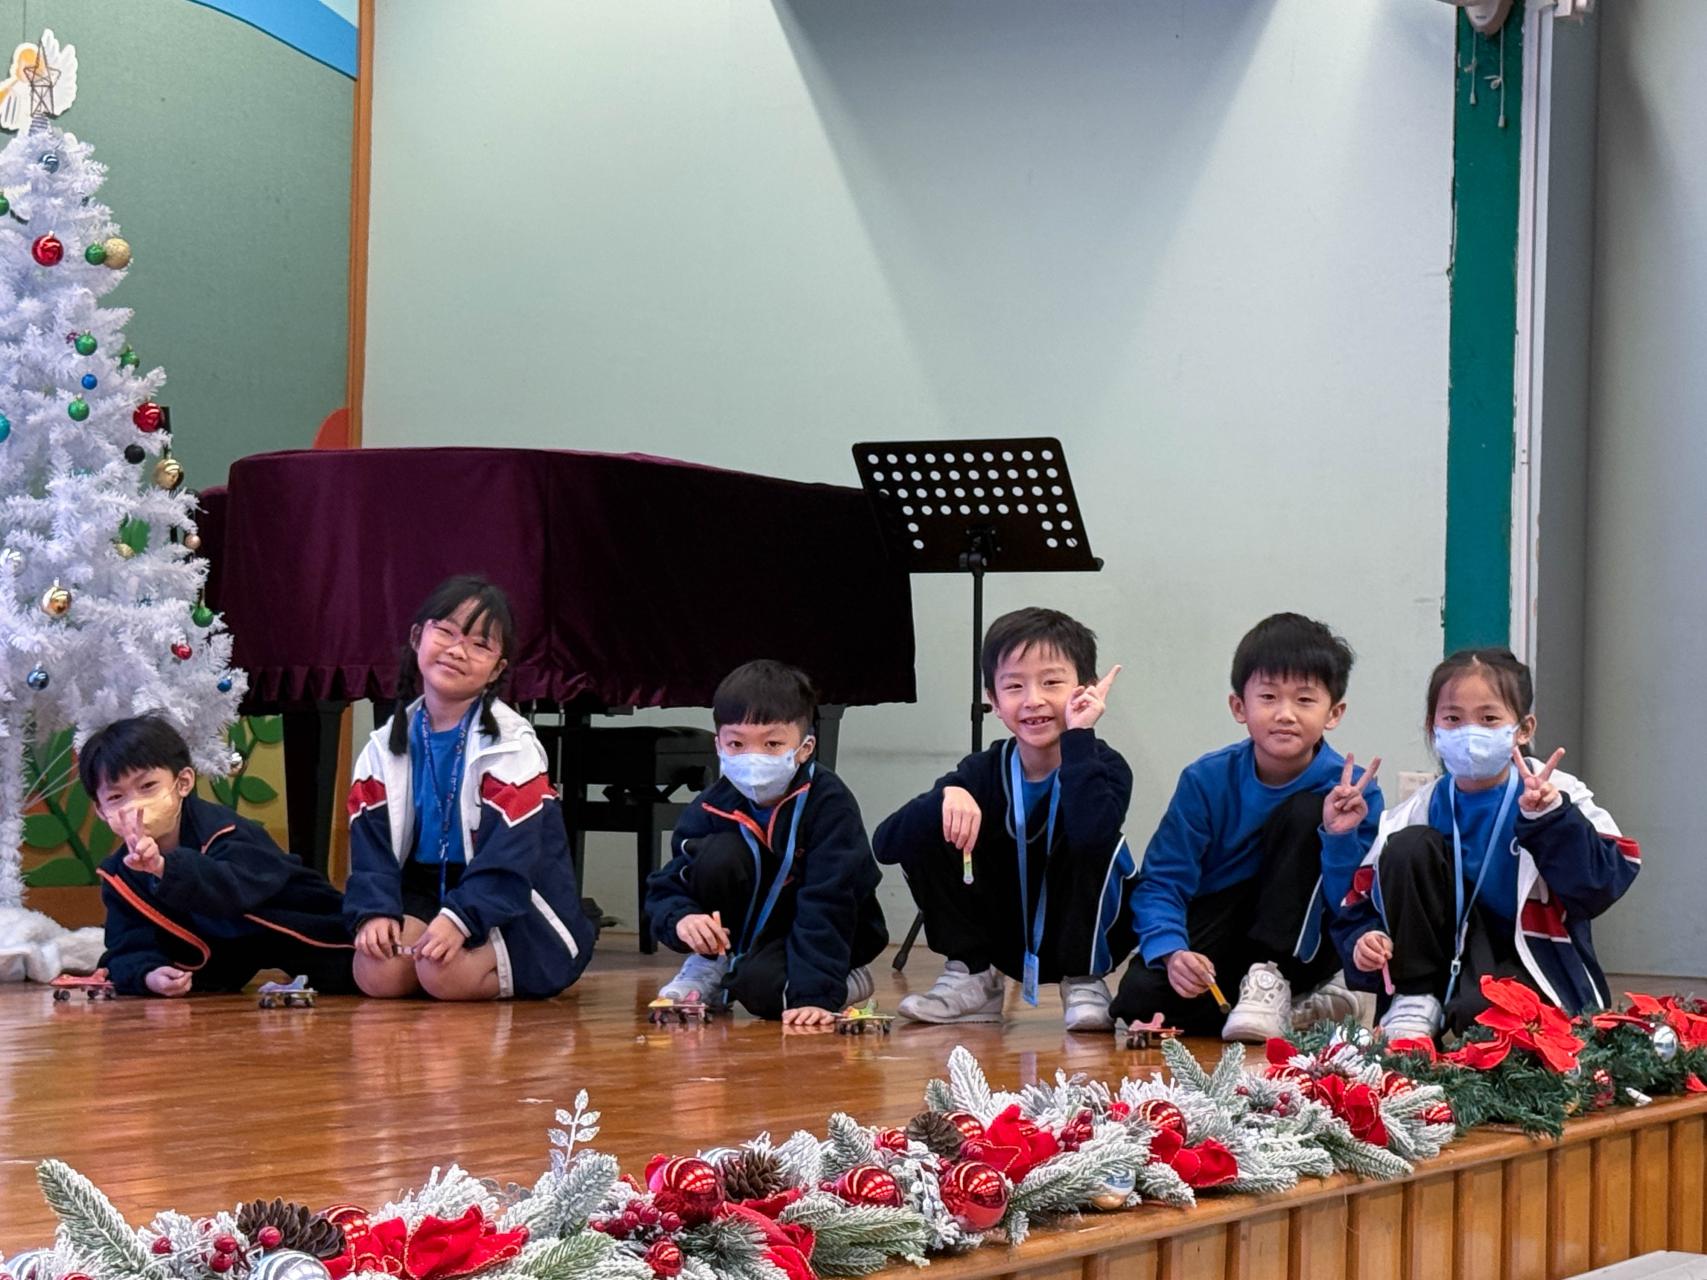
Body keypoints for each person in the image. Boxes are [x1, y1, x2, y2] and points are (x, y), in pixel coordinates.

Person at [1333, 647, 1637, 1040]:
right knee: (1407, 847)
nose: (1469, 732)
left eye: (1489, 718)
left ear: (1523, 729)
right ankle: (1416, 997)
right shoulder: (1419, 809)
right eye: (1453, 719)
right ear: (1433, 728)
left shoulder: (1557, 794)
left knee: (1487, 1022)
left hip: (1530, 957)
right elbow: (1361, 901)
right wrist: (1365, 940)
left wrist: (1551, 819)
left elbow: (1600, 886)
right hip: (1443, 955)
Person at [1112, 613, 1383, 1041]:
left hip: (1305, 937)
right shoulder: (1206, 779)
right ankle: (1306, 1007)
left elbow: (1349, 902)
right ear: (1240, 707)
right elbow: (1163, 880)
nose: (1285, 714)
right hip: (1228, 919)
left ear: (1334, 713)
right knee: (1141, 1000)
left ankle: (1282, 980)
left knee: (1310, 812)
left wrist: (1339, 836)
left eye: (1305, 700)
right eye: (1269, 697)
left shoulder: (1351, 792)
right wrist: (1173, 951)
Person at [874, 607, 1132, 1030]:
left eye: (1051, 682)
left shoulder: (1106, 766)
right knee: (933, 821)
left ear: (1084, 691)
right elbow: (886, 844)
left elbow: (1091, 839)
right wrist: (946, 795)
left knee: (1100, 836)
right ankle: (972, 977)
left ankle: (1085, 981)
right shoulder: (982, 771)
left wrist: (1079, 736)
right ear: (994, 701)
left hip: (1079, 933)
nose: (1033, 699)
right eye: (1014, 686)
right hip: (1003, 933)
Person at [345, 575, 596, 1000]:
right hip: (427, 886)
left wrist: (460, 919)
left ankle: (561, 939)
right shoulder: (382, 747)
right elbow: (371, 851)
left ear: (497, 669)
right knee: (377, 975)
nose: (458, 651)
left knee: (443, 977)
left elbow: (510, 858)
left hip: (511, 894)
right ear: (417, 637)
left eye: (480, 645)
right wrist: (375, 910)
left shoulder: (513, 747)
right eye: (445, 631)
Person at [645, 660, 887, 1024]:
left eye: (772, 744)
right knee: (718, 855)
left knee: (764, 995)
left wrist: (815, 995)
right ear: (718, 745)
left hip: (820, 933)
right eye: (736, 744)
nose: (753, 758)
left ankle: (846, 979)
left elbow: (829, 902)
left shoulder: (830, 804)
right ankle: (712, 963)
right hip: (751, 932)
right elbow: (670, 881)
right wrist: (682, 919)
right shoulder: (711, 804)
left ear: (805, 747)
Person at [87, 714, 354, 997]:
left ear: (183, 782)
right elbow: (127, 944)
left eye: (147, 786)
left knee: (360, 974)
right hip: (218, 971)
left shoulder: (225, 831)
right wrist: (149, 974)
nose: (135, 805)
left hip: (306, 930)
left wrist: (164, 868)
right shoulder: (120, 876)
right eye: (116, 797)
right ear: (101, 811)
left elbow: (235, 891)